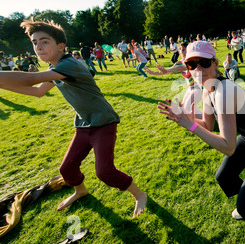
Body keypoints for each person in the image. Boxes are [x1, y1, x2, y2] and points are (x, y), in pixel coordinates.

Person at [0, 19, 147, 217]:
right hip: (84, 124)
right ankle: (81, 190)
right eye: (35, 43)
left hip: (104, 123)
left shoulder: (69, 64)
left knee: (104, 171)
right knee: (67, 169)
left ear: (61, 46)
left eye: (44, 41)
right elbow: (37, 91)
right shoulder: (57, 68)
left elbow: (30, 79)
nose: (38, 46)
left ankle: (139, 195)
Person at [158, 41, 245, 244]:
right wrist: (187, 117)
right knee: (224, 177)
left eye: (203, 63)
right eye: (192, 65)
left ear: (215, 63)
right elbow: (209, 124)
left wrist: (190, 125)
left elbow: (228, 146)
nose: (198, 69)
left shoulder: (223, 90)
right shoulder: (208, 89)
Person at [149, 42, 203, 116]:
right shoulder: (179, 63)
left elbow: (181, 68)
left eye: (186, 50)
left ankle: (205, 121)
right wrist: (152, 73)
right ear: (179, 52)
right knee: (183, 106)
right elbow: (167, 71)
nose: (185, 52)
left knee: (187, 107)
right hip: (191, 88)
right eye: (182, 50)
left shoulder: (192, 61)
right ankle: (203, 117)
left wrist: (167, 70)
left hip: (199, 88)